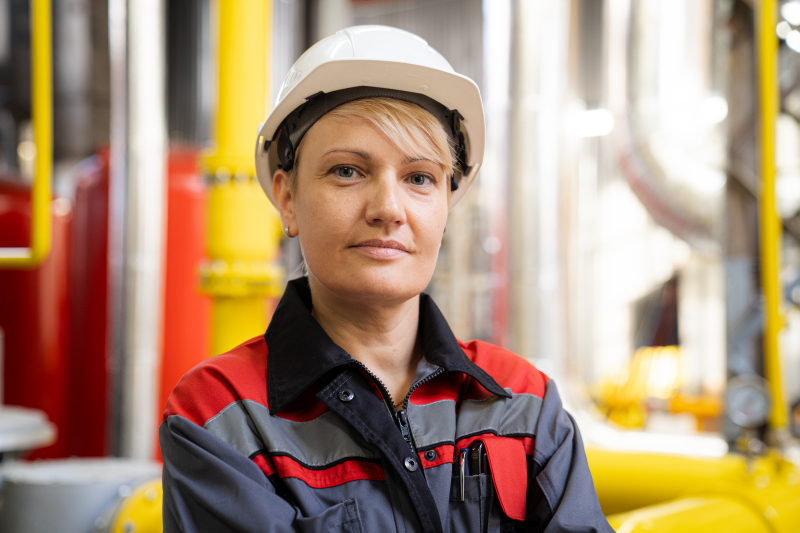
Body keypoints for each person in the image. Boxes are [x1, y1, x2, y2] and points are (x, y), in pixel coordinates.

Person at [160, 25, 613, 533]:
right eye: (347, 171)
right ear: (287, 200)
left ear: (446, 206)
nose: (388, 209)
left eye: (419, 178)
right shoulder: (221, 415)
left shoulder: (523, 403)